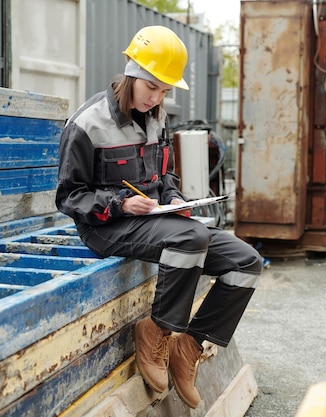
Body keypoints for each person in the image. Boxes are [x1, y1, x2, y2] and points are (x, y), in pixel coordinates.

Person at [55, 25, 263, 409]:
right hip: (107, 227)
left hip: (155, 220)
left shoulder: (157, 117)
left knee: (246, 262)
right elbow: (69, 197)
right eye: (152, 87)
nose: (157, 97)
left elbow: (164, 175)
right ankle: (156, 332)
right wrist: (120, 203)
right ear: (132, 74)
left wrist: (176, 197)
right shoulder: (87, 124)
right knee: (190, 240)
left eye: (165, 90)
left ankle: (189, 345)